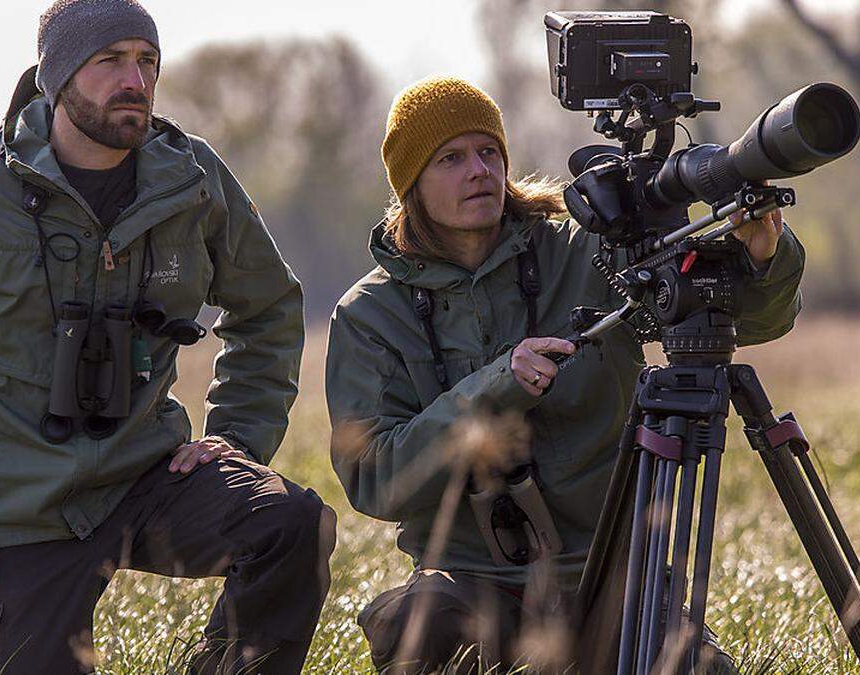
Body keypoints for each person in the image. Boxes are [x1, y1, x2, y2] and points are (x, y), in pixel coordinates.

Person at [0, 1, 335, 673]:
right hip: (23, 512)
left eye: (147, 61)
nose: (135, 80)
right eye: (109, 61)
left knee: (291, 522)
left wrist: (238, 439)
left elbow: (270, 306)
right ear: (58, 76)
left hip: (152, 475)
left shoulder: (191, 179)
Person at [325, 76, 805, 673]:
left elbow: (751, 321)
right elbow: (373, 480)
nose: (479, 171)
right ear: (410, 185)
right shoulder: (370, 314)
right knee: (415, 628)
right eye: (450, 159)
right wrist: (495, 387)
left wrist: (764, 257)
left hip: (611, 576)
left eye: (489, 152)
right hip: (476, 583)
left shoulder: (587, 249)